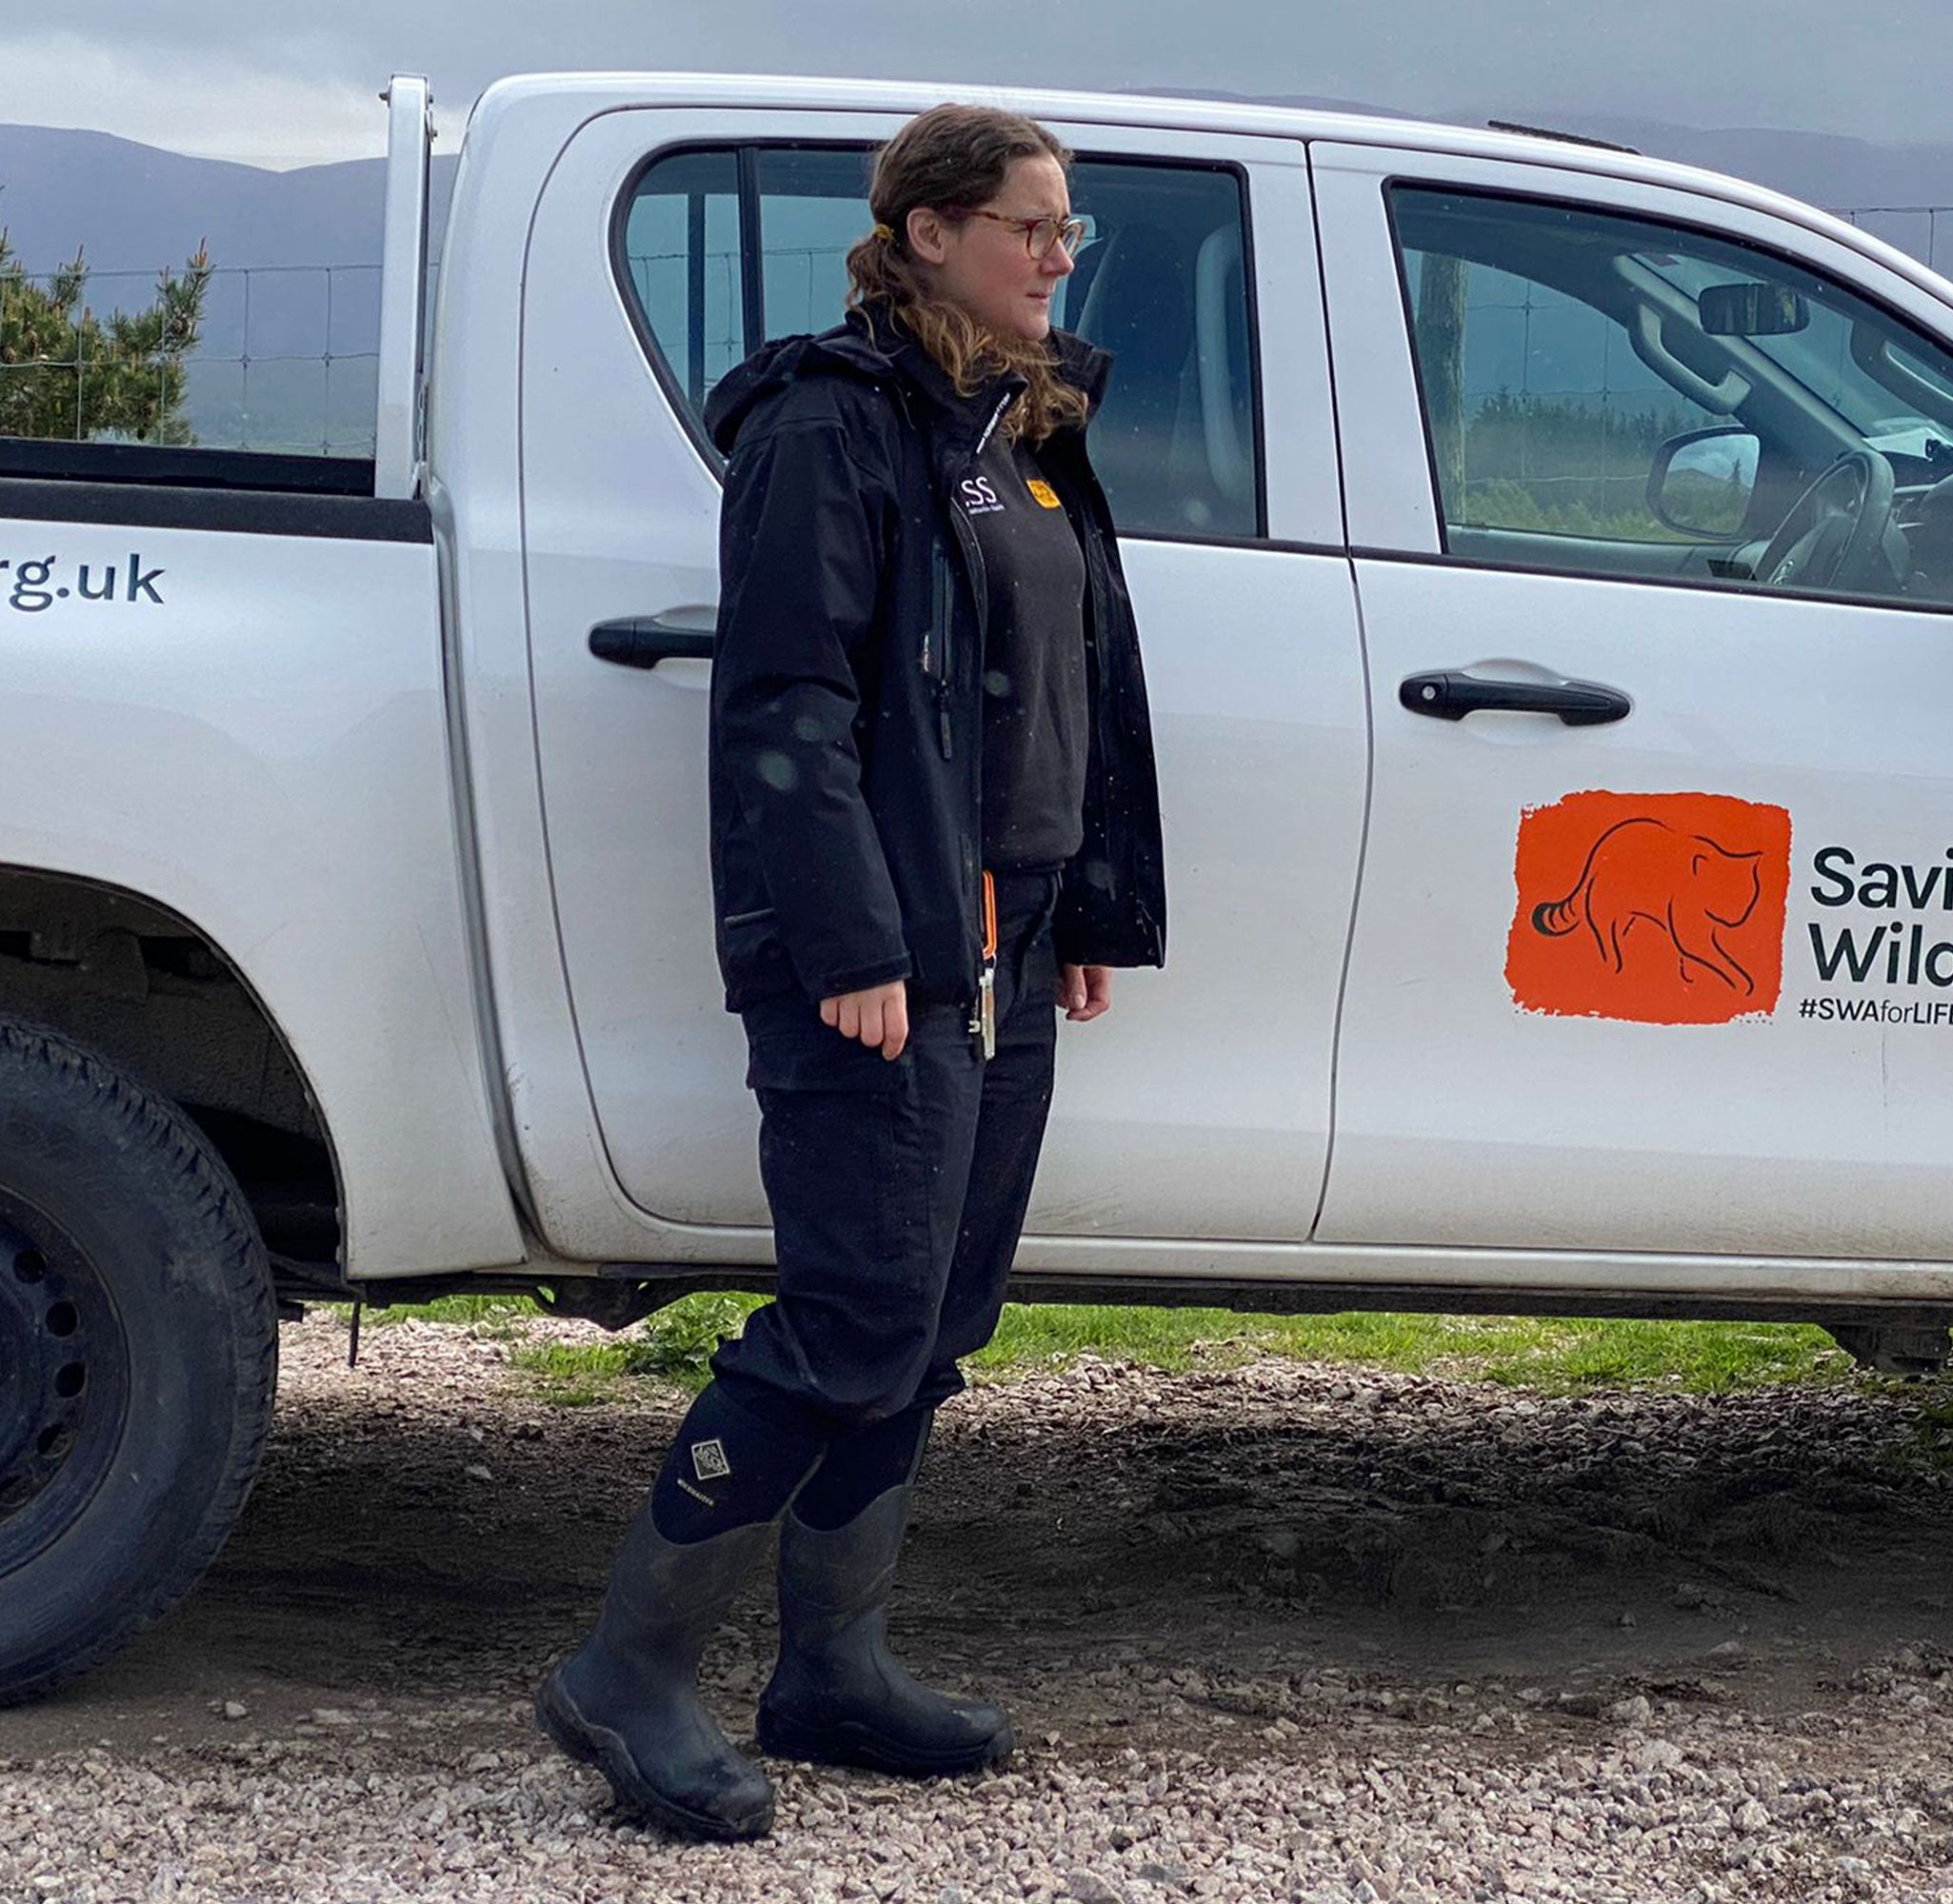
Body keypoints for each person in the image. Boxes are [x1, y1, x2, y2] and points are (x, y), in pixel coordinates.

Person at [535, 103, 1166, 1843]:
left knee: (938, 1322)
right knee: (853, 1317)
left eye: (1068, 232)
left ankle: (833, 1673)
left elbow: (1063, 691)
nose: (1061, 256)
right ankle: (625, 1674)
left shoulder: (1020, 427)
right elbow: (788, 706)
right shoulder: (836, 421)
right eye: (1036, 228)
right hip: (885, 951)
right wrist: (848, 947)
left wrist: (1084, 911)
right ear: (936, 229)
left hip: (1007, 940)